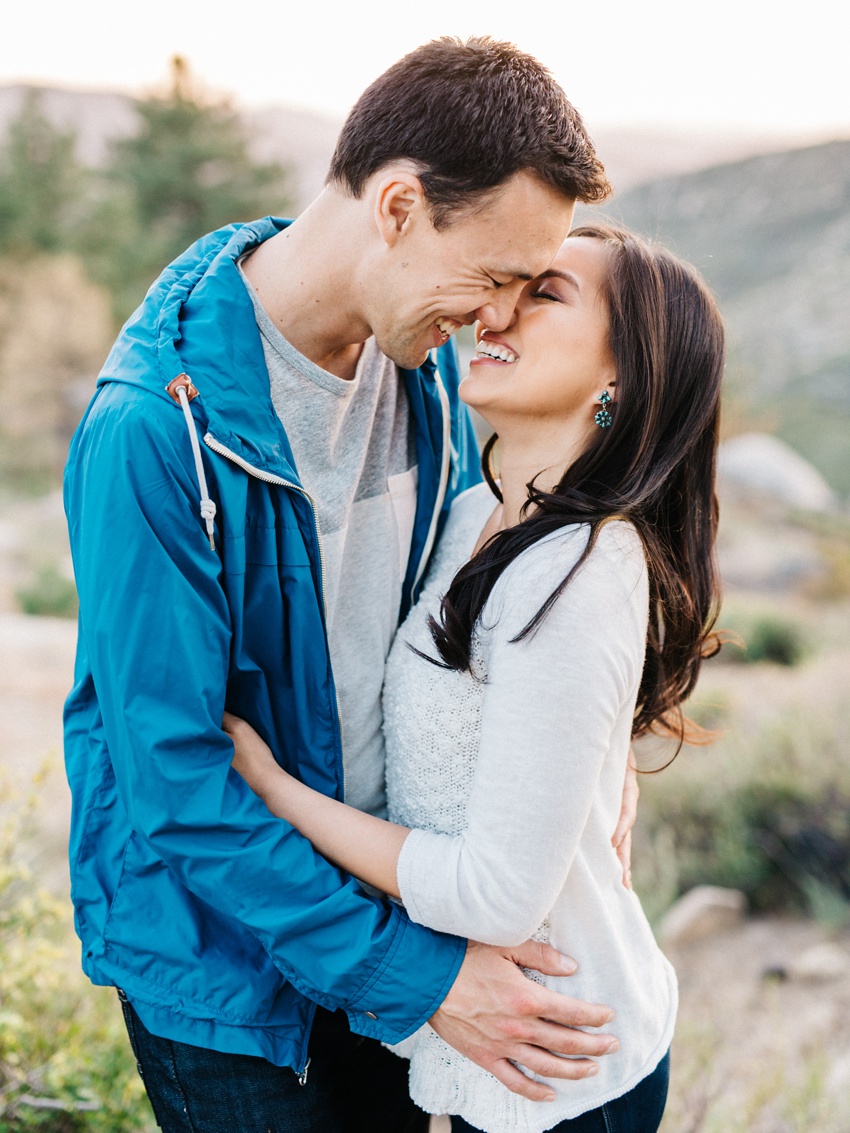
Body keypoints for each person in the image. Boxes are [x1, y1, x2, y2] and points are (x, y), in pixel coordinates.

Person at [62, 36, 636, 1133]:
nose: (497, 318)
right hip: (232, 984)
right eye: (495, 276)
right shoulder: (153, 430)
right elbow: (176, 780)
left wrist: (603, 749)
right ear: (398, 207)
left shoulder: (421, 375)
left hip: (388, 923)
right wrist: (418, 975)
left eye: (527, 288)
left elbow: (508, 587)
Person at [224, 224, 726, 1133]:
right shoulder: (471, 516)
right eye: (510, 285)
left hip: (565, 1064)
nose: (498, 313)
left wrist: (273, 789)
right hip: (505, 1041)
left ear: (624, 377)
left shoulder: (575, 574)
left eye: (548, 295)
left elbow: (497, 892)